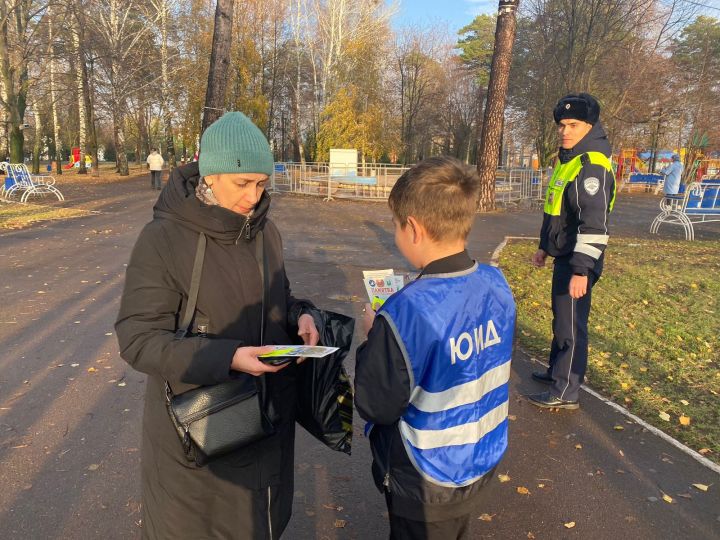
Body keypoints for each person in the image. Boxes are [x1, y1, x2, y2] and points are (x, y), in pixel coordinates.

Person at [115, 111, 320, 539]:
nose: (254, 196)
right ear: (210, 175)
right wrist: (227, 357)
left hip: (266, 431)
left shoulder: (267, 233)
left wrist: (303, 314)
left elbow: (280, 299)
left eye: (262, 183)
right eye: (242, 183)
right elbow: (138, 338)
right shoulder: (163, 239)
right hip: (200, 441)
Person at [354, 156, 516, 540]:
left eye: (395, 225)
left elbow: (376, 403)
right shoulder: (497, 282)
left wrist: (372, 338)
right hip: (480, 456)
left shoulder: (406, 311)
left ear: (413, 228)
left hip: (426, 476)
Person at [528, 93, 616, 410]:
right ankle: (557, 372)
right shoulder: (570, 161)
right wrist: (544, 247)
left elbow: (593, 224)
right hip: (565, 255)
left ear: (589, 125)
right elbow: (557, 212)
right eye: (561, 125)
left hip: (579, 259)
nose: (565, 131)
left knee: (572, 324)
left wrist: (582, 270)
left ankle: (566, 391)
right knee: (561, 318)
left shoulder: (591, 165)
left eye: (573, 125)